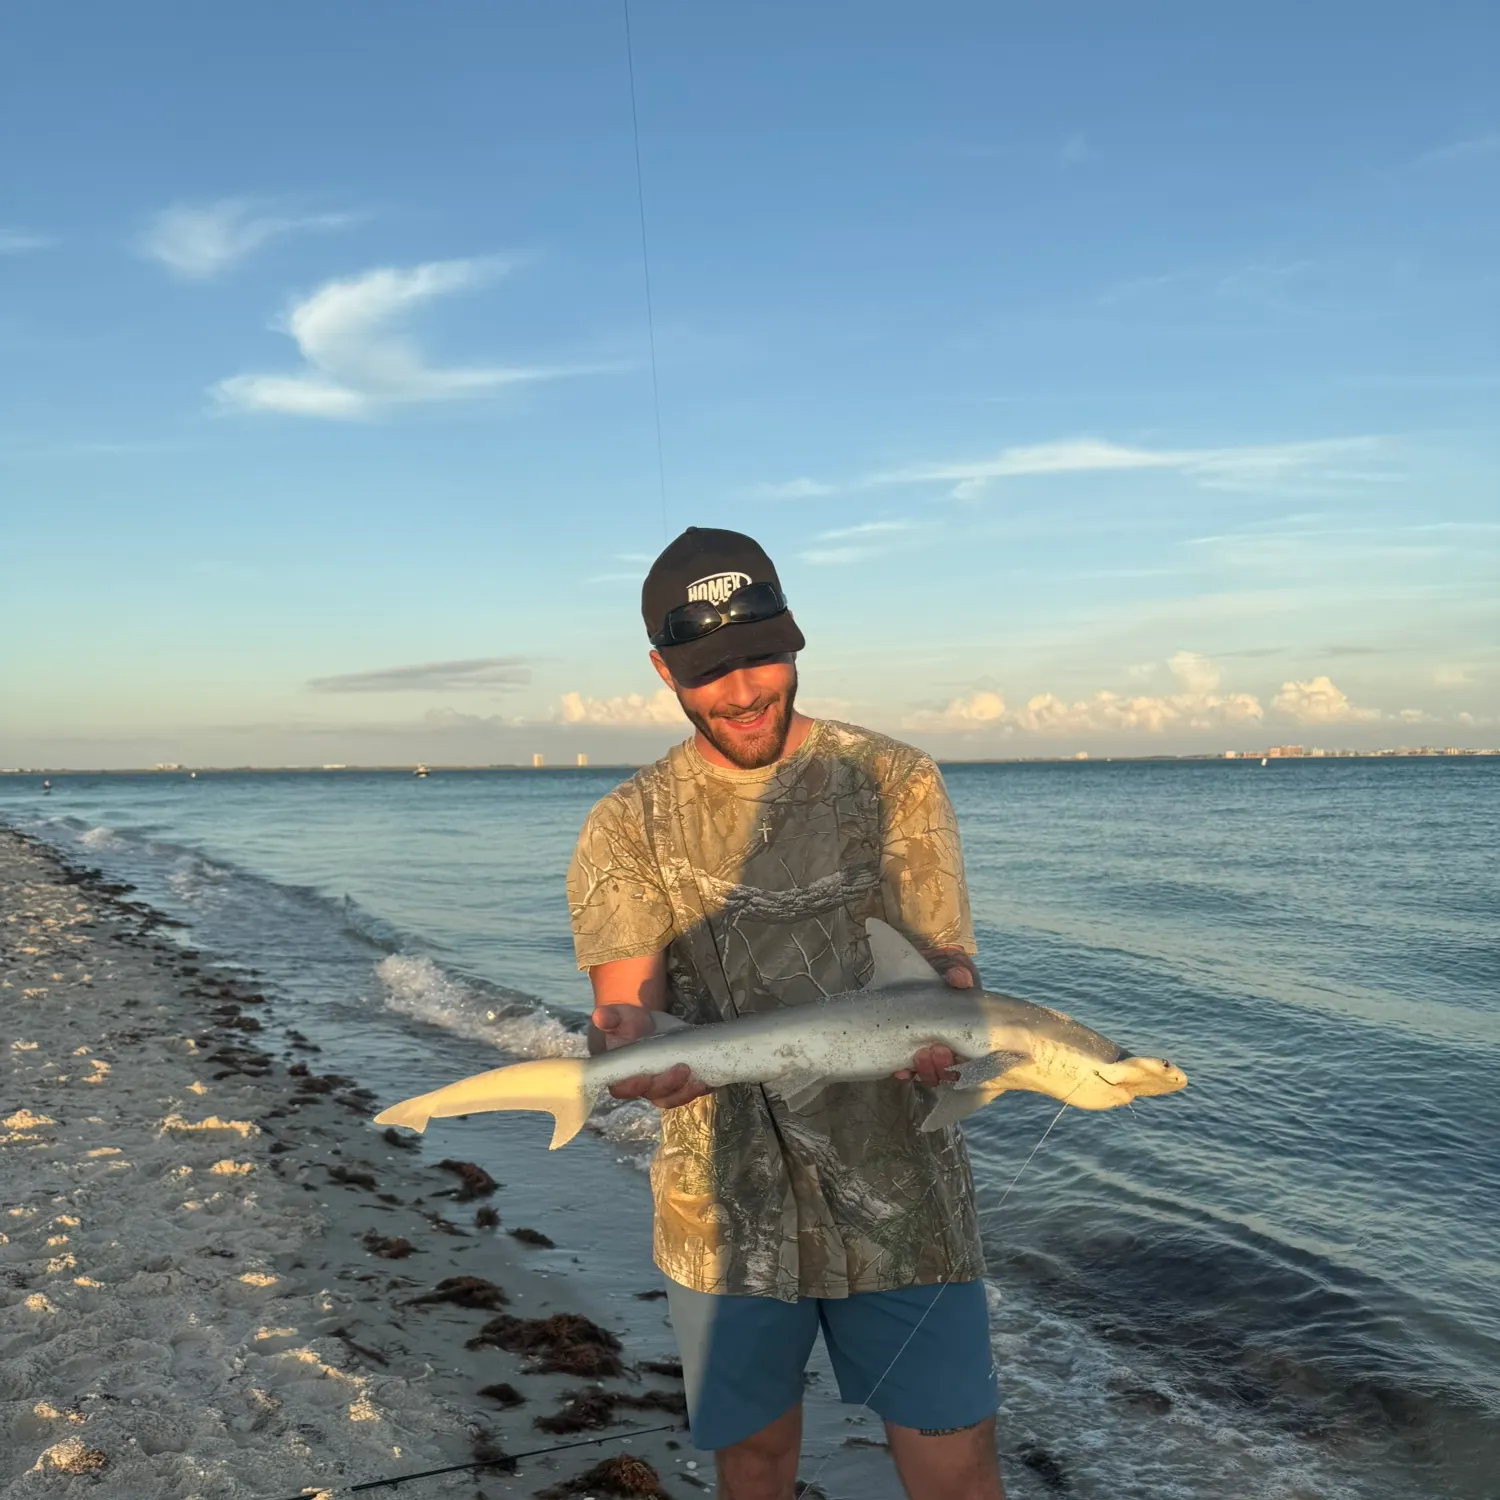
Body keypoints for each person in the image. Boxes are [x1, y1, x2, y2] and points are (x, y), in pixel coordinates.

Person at [566, 527, 1005, 1500]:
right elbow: (624, 1011)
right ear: (662, 671)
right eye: (710, 671)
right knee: (755, 1467)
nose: (745, 689)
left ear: (795, 639)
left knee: (956, 1466)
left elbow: (946, 963)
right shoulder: (623, 828)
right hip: (724, 1207)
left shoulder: (895, 780)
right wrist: (630, 1055)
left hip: (907, 1199)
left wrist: (953, 1029)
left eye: (762, 656)